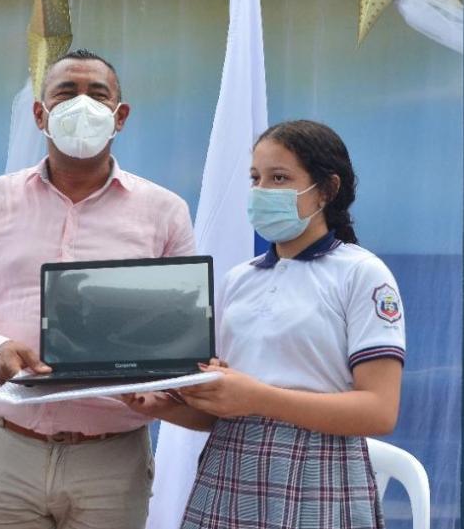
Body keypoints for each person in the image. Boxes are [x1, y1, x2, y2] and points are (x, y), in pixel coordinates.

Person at [0, 49, 196, 529]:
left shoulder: (165, 211)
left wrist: (156, 383)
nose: (82, 105)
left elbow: (182, 327)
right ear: (40, 114)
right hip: (5, 448)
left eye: (98, 95)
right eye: (66, 93)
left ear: (120, 116)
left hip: (112, 459)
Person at [125, 119, 405, 529]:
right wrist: (163, 405)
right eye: (255, 178)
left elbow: (379, 411)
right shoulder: (239, 279)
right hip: (229, 470)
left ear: (327, 189)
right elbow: (223, 410)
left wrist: (258, 397)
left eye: (280, 178)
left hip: (318, 474)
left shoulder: (362, 274)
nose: (261, 191)